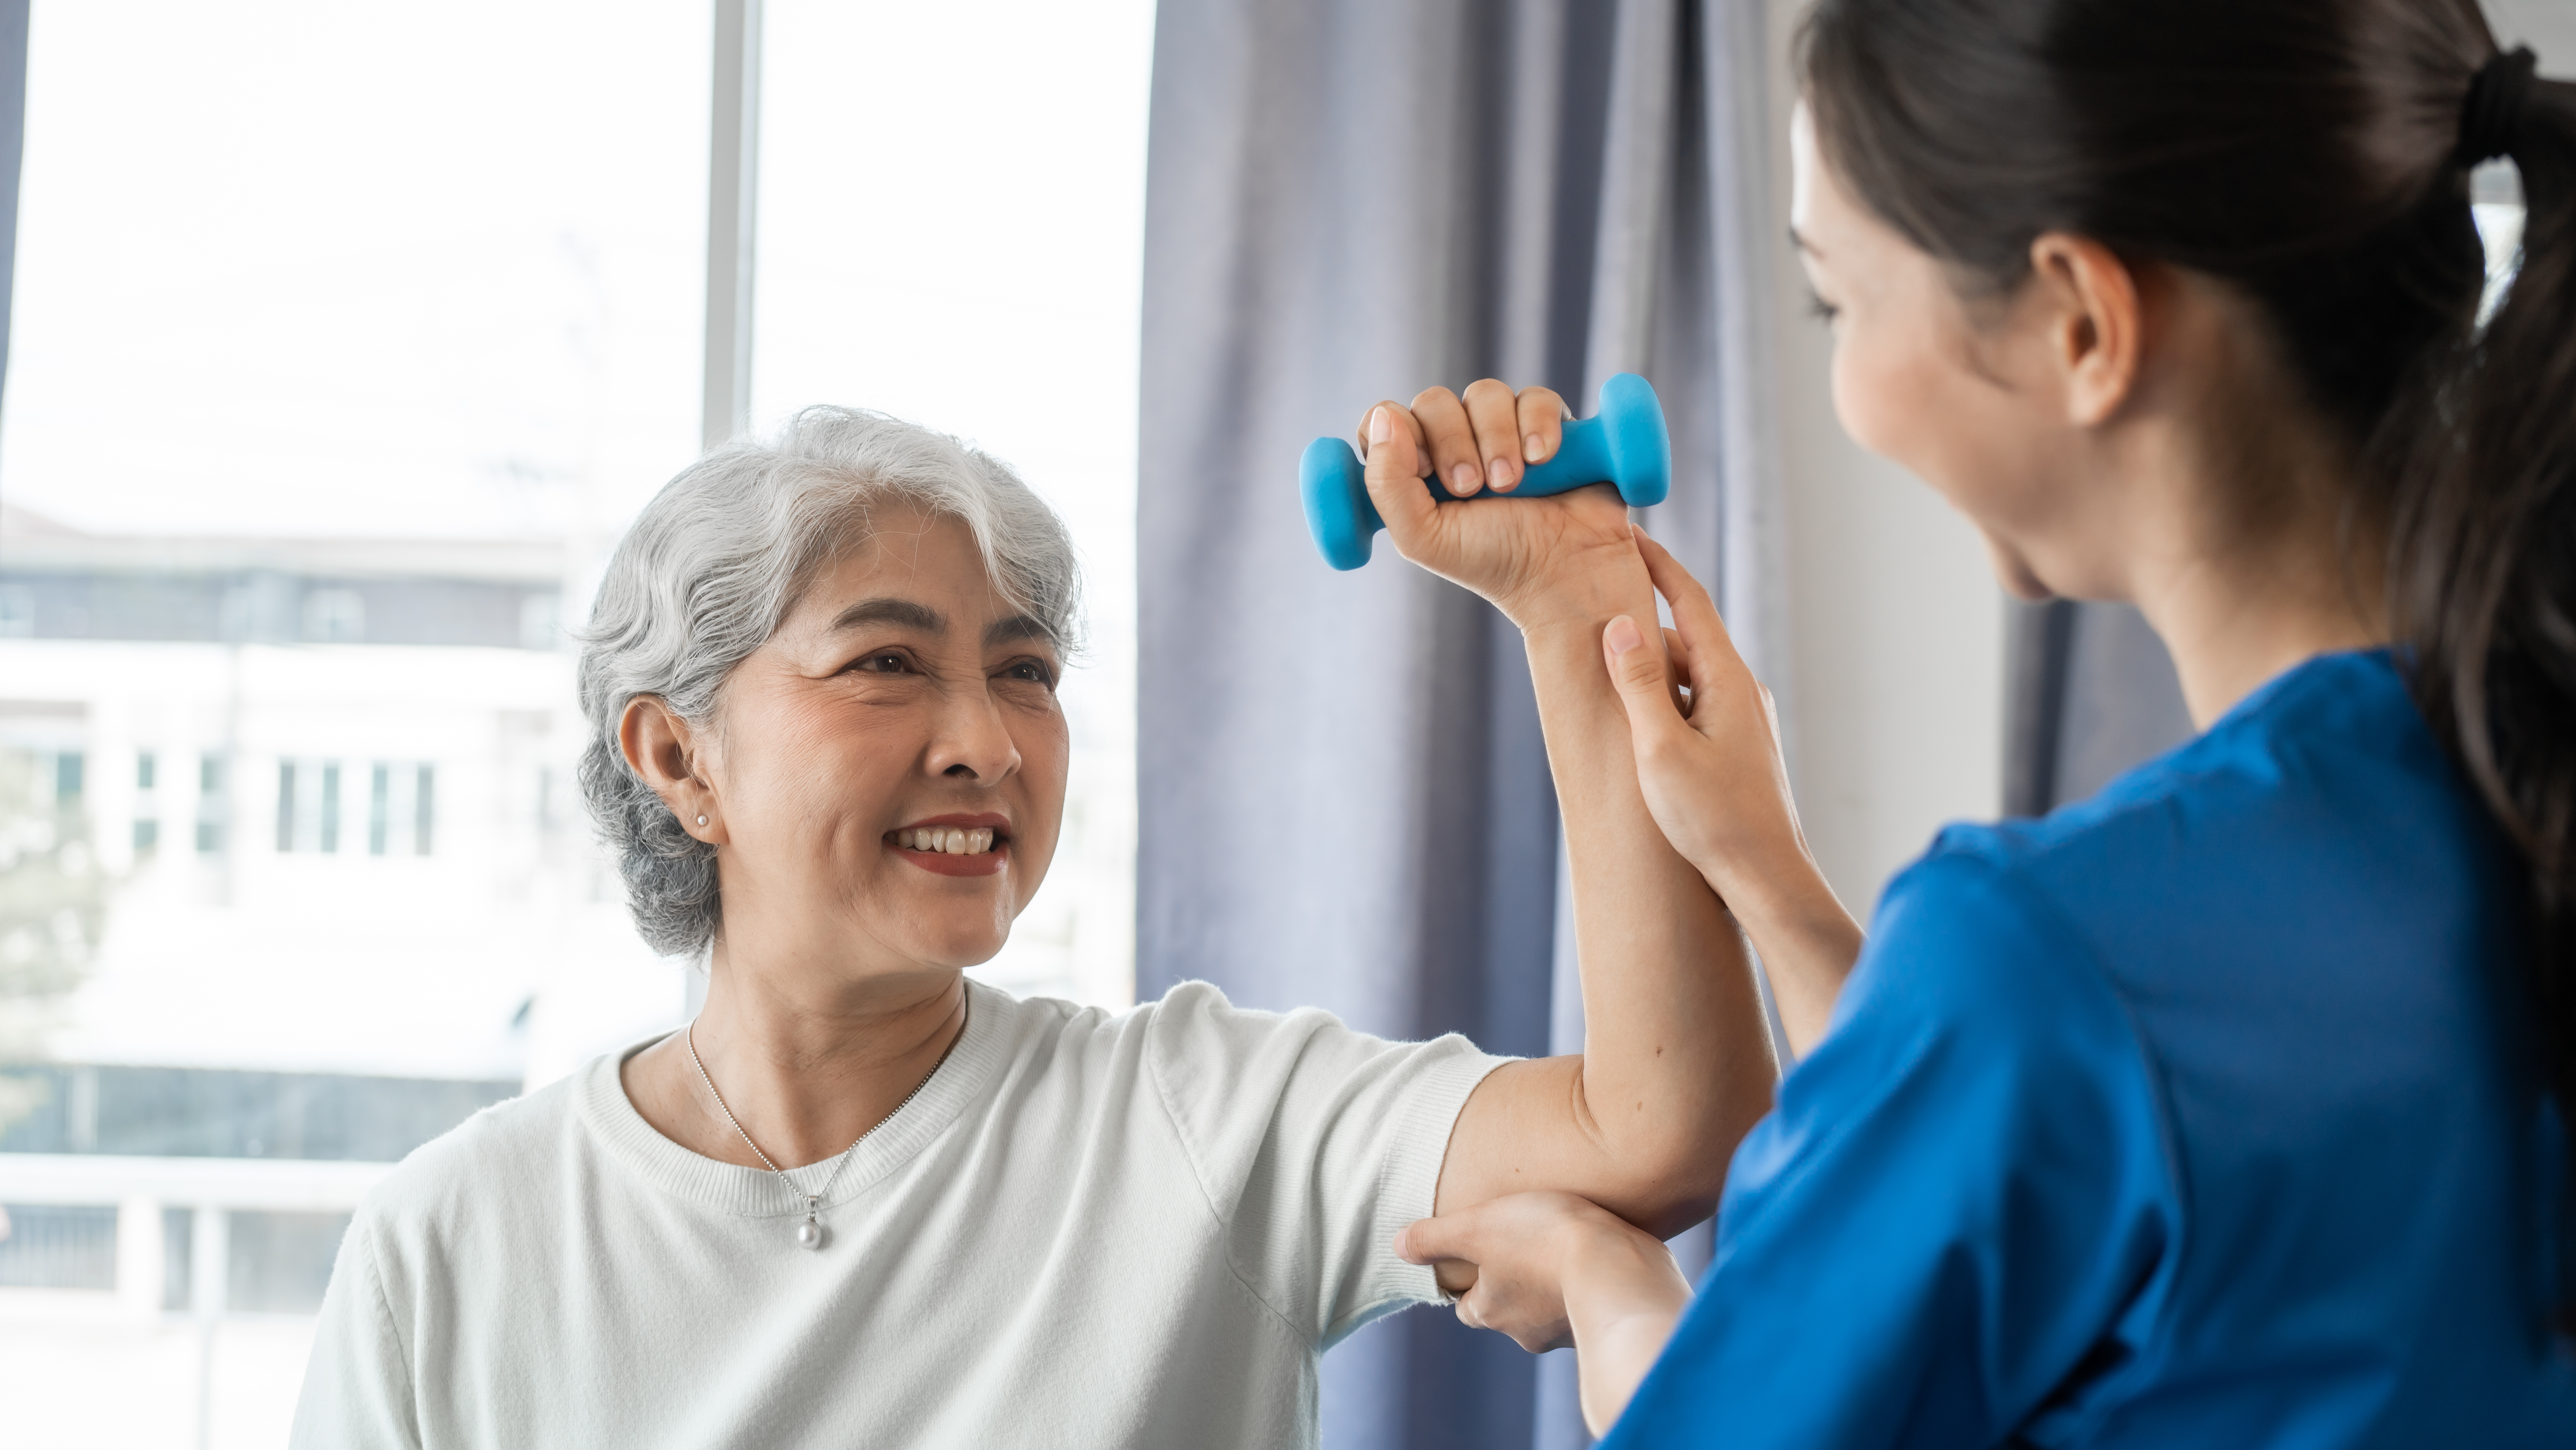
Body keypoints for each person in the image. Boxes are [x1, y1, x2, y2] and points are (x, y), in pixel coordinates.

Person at [1386, 2, 2576, 1444]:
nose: (1848, 384)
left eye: (1841, 299)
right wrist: (1766, 869)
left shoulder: (2052, 953)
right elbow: (2041, 1134)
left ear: (2081, 321)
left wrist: (1609, 1275)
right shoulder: (2506, 786)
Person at [288, 405, 1778, 1447]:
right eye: (888, 661)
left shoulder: (1199, 1118)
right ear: (679, 758)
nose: (990, 744)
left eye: (1025, 672)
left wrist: (1581, 612)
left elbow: (1660, 1128)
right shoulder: (453, 1240)